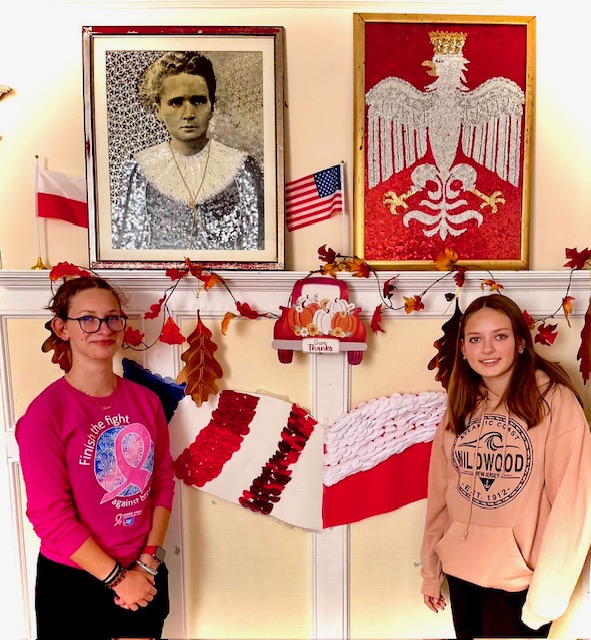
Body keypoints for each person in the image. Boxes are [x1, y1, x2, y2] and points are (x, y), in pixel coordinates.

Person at [420, 293, 591, 639]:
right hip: (461, 574)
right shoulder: (460, 404)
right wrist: (431, 571)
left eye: (500, 336)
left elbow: (573, 508)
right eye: (475, 339)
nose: (487, 349)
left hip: (520, 586)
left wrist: (544, 602)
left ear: (521, 343)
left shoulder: (555, 403)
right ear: (463, 350)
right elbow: (440, 494)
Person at [16, 276, 175, 640]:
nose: (103, 328)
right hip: (73, 580)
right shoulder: (45, 414)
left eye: (112, 318)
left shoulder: (146, 402)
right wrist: (119, 580)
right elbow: (50, 517)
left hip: (143, 570)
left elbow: (163, 481)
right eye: (87, 319)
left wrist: (148, 560)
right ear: (62, 328)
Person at [111, 51, 264, 251]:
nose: (189, 114)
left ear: (212, 106)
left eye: (198, 101)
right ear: (158, 110)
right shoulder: (140, 169)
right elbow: (126, 248)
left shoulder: (242, 168)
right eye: (176, 103)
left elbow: (256, 246)